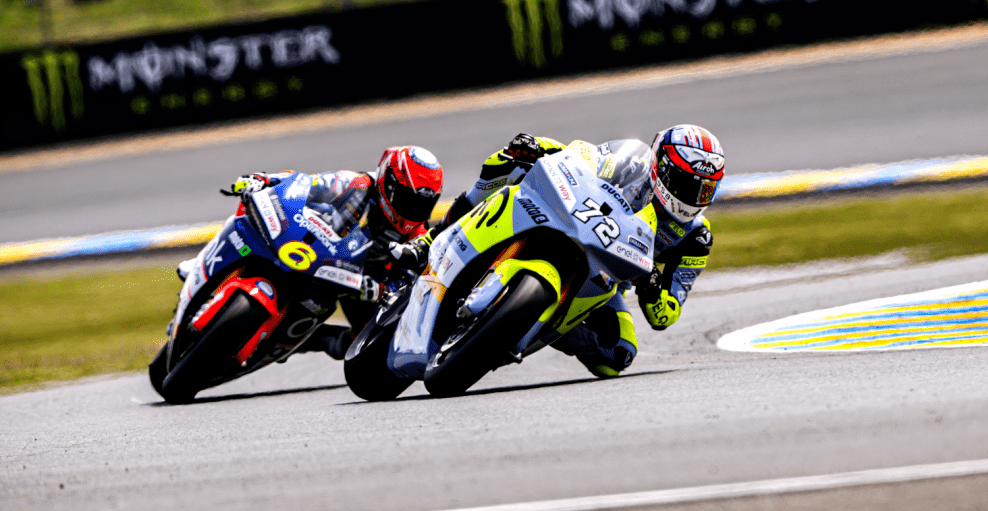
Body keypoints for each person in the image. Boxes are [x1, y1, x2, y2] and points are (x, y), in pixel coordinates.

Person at [393, 126, 724, 378]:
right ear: (663, 169)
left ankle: (530, 321)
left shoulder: (696, 237)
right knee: (506, 164)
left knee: (618, 354)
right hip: (570, 218)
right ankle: (430, 241)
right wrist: (538, 146)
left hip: (605, 277)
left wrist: (652, 289)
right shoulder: (632, 164)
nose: (696, 198)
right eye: (688, 185)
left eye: (705, 190)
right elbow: (581, 155)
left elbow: (666, 314)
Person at [179, 145, 443, 359]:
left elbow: (413, 282)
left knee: (369, 345)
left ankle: (327, 340)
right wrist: (265, 180)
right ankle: (205, 261)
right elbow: (305, 183)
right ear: (389, 184)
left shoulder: (417, 236)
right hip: (319, 253)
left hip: (359, 286)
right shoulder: (356, 183)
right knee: (249, 209)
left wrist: (385, 290)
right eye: (408, 200)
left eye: (423, 205)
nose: (414, 211)